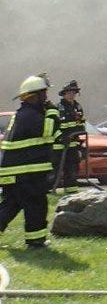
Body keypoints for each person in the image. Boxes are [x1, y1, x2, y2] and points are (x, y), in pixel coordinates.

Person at [0, 75, 61, 248]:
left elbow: (52, 135)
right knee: (36, 204)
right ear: (34, 95)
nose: (46, 98)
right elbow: (49, 130)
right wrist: (53, 111)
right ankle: (36, 241)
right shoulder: (30, 115)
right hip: (26, 172)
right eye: (44, 94)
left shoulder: (25, 114)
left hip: (16, 171)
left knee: (12, 204)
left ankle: (36, 240)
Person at [56, 80, 86, 189]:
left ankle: (71, 190)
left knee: (73, 168)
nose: (72, 95)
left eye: (74, 92)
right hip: (60, 145)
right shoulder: (59, 107)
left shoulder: (78, 107)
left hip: (73, 144)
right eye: (69, 92)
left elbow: (81, 124)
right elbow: (57, 127)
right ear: (64, 94)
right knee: (58, 169)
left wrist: (79, 138)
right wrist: (63, 138)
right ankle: (55, 189)